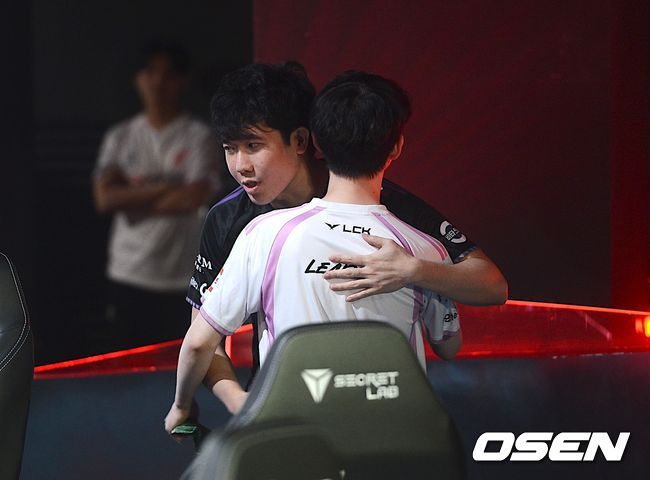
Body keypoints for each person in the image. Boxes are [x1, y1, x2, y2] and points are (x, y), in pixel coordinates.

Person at [165, 70, 505, 434]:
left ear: (301, 140)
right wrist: (238, 401)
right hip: (287, 412)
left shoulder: (391, 207)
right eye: (229, 148)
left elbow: (491, 284)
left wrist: (413, 270)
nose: (240, 166)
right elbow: (203, 335)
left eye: (253, 146)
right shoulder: (230, 221)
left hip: (381, 418)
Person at [93, 40, 222, 348]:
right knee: (125, 362)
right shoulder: (120, 137)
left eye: (169, 74)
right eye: (150, 72)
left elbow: (194, 198)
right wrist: (166, 187)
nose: (159, 82)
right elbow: (105, 199)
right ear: (137, 78)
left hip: (180, 275)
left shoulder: (198, 137)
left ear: (182, 81)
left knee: (177, 363)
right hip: (129, 271)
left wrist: (131, 194)